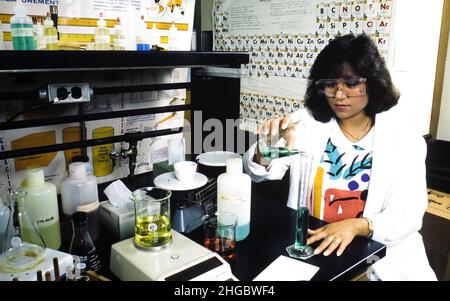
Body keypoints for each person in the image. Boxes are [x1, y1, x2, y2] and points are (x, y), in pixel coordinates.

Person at [243, 34, 437, 281]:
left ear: (372, 84)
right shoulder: (307, 123)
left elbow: (408, 213)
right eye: (330, 84)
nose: (339, 94)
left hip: (383, 259)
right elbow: (258, 172)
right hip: (316, 251)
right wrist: (267, 145)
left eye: (351, 84)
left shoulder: (404, 138)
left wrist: (357, 225)